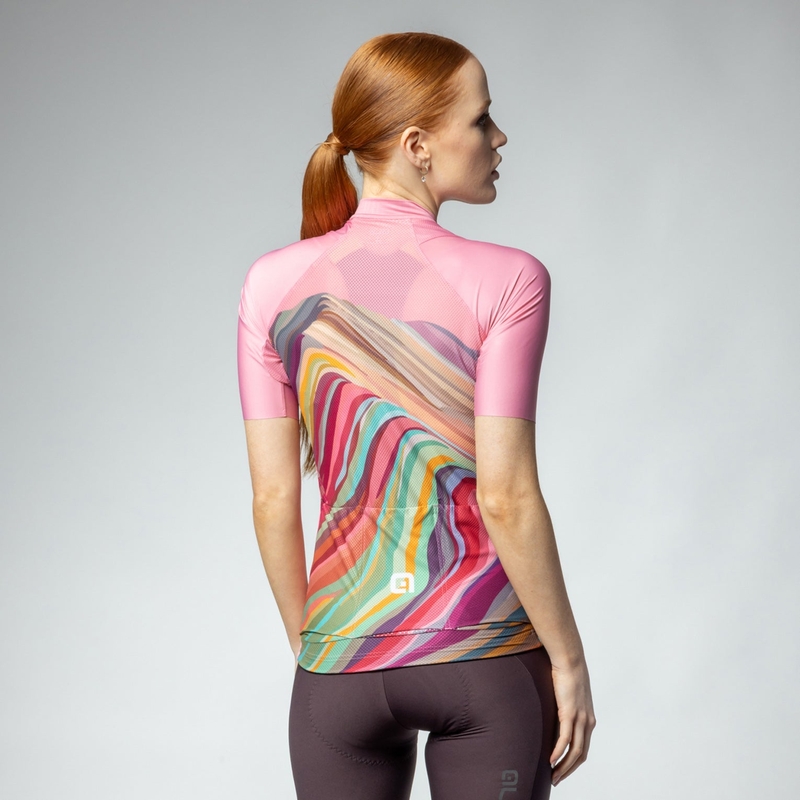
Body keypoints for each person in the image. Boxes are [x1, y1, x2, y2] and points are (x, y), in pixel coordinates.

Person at [237, 31, 595, 800]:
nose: (499, 138)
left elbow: (272, 498)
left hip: (338, 660)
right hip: (484, 654)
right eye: (482, 118)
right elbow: (506, 495)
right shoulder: (510, 280)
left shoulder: (269, 285)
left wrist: (320, 649)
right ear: (417, 145)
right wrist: (568, 660)